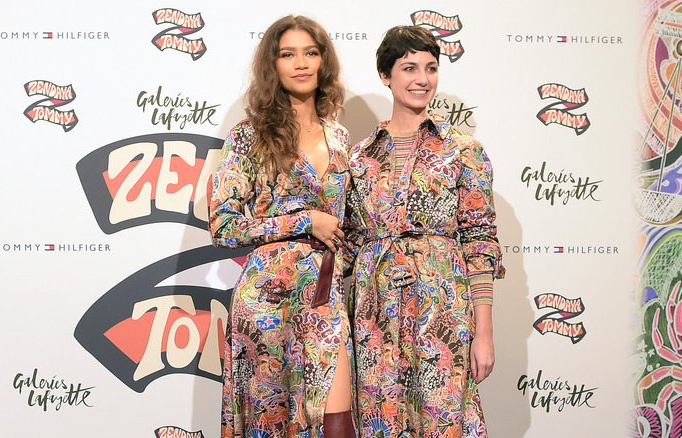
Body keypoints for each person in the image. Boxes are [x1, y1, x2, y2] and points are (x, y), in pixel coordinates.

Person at [344, 25, 504, 437]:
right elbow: (349, 243)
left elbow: (480, 241)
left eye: (431, 68)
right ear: (386, 75)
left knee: (443, 420)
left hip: (442, 312)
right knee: (381, 418)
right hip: (373, 314)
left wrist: (482, 333)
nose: (422, 79)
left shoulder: (463, 149)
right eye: (409, 67)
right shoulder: (358, 157)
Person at [209, 15, 355, 438]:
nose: (301, 63)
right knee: (270, 424)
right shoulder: (248, 137)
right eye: (287, 54)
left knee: (335, 423)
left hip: (327, 294)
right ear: (272, 66)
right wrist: (305, 220)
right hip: (268, 299)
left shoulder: (342, 137)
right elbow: (224, 226)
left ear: (323, 61)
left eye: (310, 52)